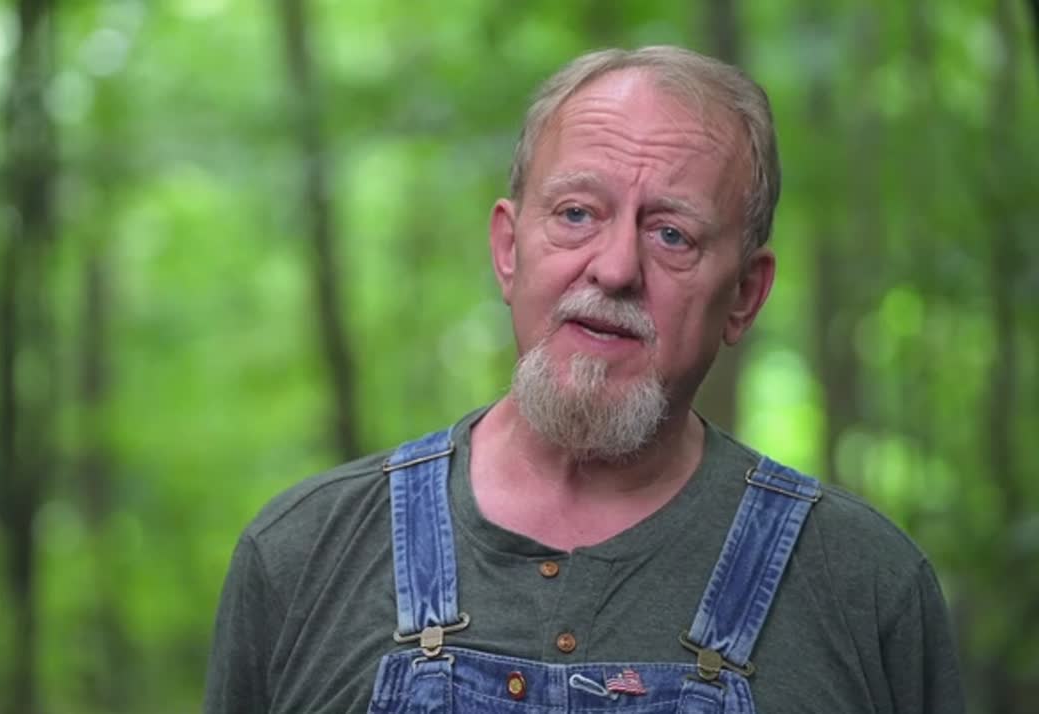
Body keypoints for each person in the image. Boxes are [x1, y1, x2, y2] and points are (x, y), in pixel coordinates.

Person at [204, 45, 965, 713]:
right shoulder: (301, 556)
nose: (615, 267)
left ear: (744, 295)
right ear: (509, 249)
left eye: (672, 234)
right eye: (576, 214)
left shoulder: (867, 588)